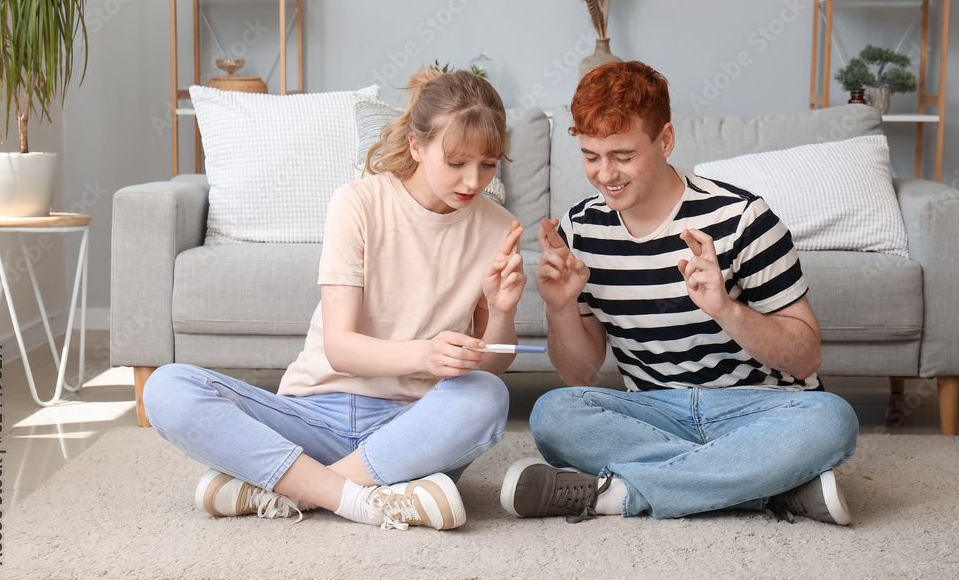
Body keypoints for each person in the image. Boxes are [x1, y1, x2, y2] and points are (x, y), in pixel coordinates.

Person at [144, 68, 526, 531]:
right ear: (416, 146)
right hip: (312, 412)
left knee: (487, 396)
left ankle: (293, 489)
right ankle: (372, 498)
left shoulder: (498, 227)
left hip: (409, 429)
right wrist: (426, 354)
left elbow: (490, 364)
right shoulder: (358, 203)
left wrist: (502, 309)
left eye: (488, 164)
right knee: (167, 388)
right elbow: (341, 349)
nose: (473, 180)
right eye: (457, 163)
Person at [500, 61, 859, 526]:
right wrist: (561, 306)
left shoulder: (743, 218)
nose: (605, 174)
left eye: (623, 156)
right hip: (655, 409)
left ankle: (619, 494)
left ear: (665, 141)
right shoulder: (581, 229)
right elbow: (581, 375)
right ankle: (766, 484)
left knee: (832, 420)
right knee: (553, 413)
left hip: (757, 407)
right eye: (591, 156)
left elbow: (806, 358)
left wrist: (726, 309)